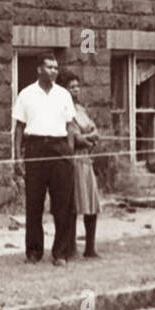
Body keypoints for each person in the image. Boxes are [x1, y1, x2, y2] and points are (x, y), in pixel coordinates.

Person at [12, 53, 77, 266]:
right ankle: (33, 251)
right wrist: (17, 158)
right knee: (34, 203)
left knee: (62, 205)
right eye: (49, 67)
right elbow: (19, 128)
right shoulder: (26, 94)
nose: (54, 71)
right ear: (39, 69)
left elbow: (70, 126)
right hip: (35, 148)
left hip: (60, 149)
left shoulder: (63, 95)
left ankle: (60, 253)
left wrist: (69, 152)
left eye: (56, 68)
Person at [60, 71, 102, 259]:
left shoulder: (81, 110)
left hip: (86, 161)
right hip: (73, 160)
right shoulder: (63, 110)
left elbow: (95, 132)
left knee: (92, 204)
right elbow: (75, 138)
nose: (76, 90)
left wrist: (90, 138)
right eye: (71, 87)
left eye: (77, 86)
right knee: (75, 204)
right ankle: (70, 247)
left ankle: (90, 248)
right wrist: (87, 138)